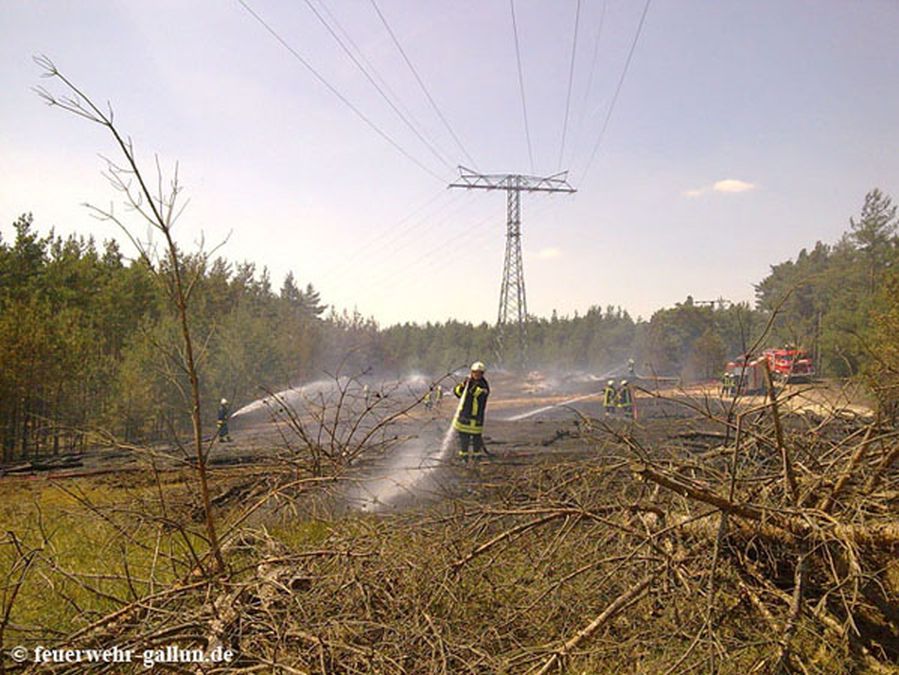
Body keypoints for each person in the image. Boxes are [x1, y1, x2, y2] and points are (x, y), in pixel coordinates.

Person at [453, 361, 490, 463]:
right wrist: (462, 386)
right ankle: (464, 458)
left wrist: (469, 386)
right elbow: (457, 393)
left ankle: (476, 458)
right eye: (475, 372)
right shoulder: (467, 382)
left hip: (477, 418)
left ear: (482, 374)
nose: (477, 375)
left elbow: (478, 393)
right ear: (472, 372)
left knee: (476, 439)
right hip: (465, 416)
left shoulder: (484, 385)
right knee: (464, 439)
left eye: (479, 373)